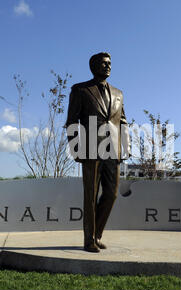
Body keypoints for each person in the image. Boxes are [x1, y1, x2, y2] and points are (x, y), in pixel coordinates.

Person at [65, 52, 129, 253]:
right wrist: (77, 150)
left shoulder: (119, 93)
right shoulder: (81, 90)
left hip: (113, 151)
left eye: (109, 63)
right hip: (91, 150)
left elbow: (123, 121)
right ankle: (89, 239)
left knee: (111, 194)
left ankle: (98, 234)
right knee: (90, 196)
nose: (107, 66)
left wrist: (125, 148)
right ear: (93, 67)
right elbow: (71, 121)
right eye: (103, 63)